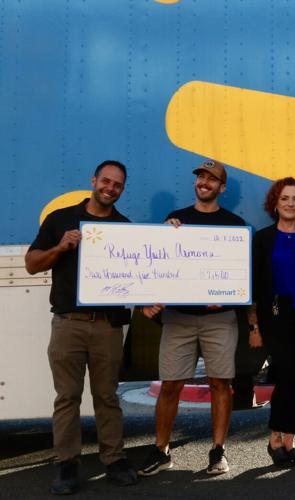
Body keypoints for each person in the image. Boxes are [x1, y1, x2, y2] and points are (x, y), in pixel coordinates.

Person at [25, 160, 139, 494]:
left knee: (107, 396)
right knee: (67, 397)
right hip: (68, 324)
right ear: (94, 180)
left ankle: (114, 460)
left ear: (121, 189)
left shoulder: (125, 228)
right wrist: (61, 247)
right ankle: (67, 464)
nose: (110, 188)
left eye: (117, 184)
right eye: (106, 181)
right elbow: (31, 264)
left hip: (107, 327)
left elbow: (137, 276)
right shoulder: (60, 220)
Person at [138, 160, 247, 476]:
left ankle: (218, 451)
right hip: (179, 318)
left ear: (221, 188)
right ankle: (161, 450)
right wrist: (165, 237)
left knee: (220, 384)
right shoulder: (176, 222)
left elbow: (241, 276)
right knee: (170, 384)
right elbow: (159, 265)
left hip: (219, 319)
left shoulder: (234, 226)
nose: (204, 182)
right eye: (201, 176)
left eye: (212, 179)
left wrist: (226, 296)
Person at [248, 177, 295, 466]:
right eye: (285, 198)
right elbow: (256, 285)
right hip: (276, 317)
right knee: (286, 375)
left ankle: (287, 441)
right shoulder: (264, 238)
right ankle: (275, 439)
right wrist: (254, 326)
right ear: (275, 203)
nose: (290, 203)